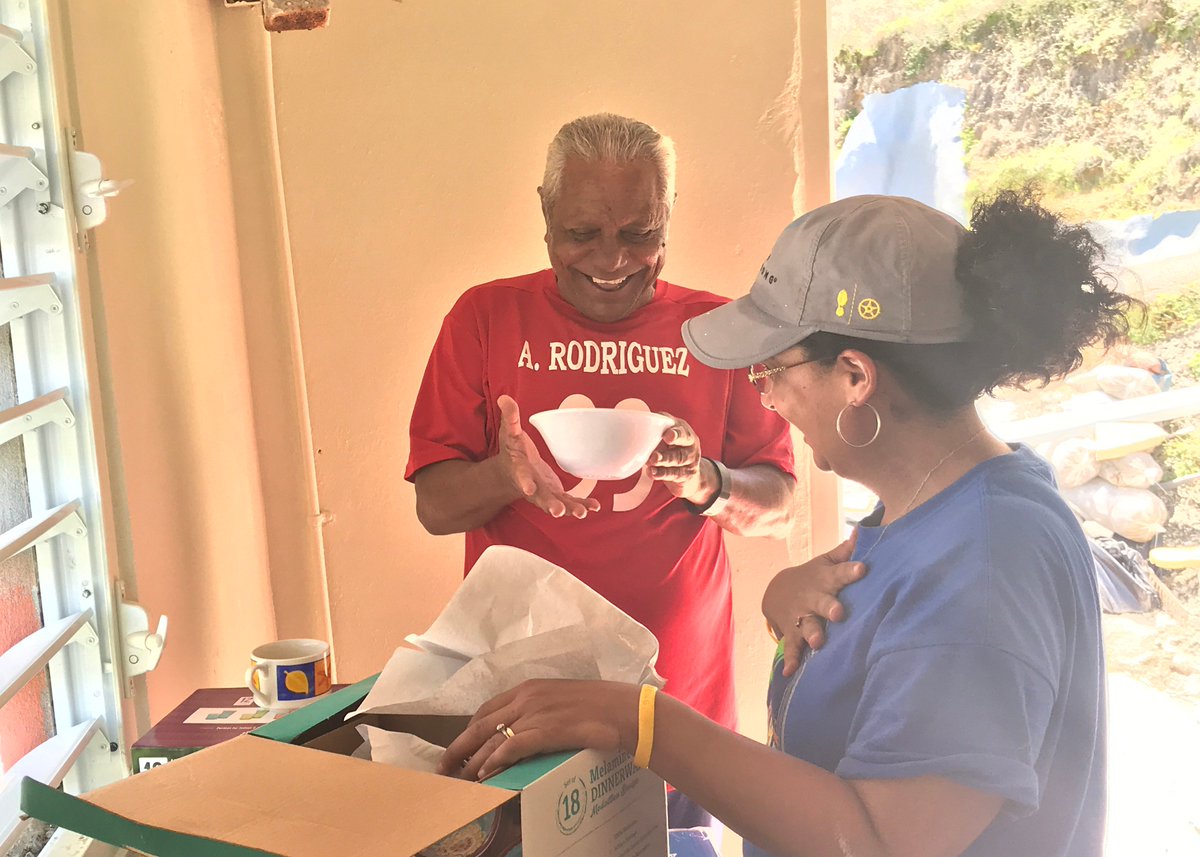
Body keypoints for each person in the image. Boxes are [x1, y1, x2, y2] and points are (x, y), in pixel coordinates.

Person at [438, 189, 1136, 857]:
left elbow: (879, 840)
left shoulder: (986, 562)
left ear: (856, 378)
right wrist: (781, 600)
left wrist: (642, 722)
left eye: (771, 369)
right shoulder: (936, 507)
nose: (765, 396)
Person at [408, 114, 853, 827]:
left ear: (668, 218)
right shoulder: (484, 319)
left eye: (639, 233)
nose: (611, 259)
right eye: (583, 232)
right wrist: (505, 477)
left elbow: (779, 503)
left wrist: (708, 482)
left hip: (680, 711)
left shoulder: (720, 333)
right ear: (545, 214)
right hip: (526, 706)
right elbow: (434, 504)